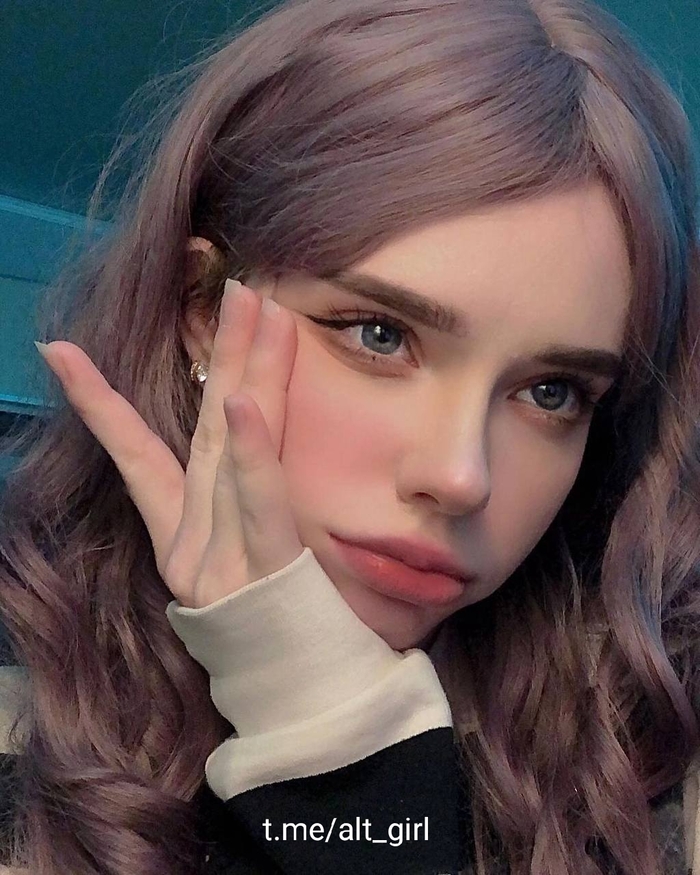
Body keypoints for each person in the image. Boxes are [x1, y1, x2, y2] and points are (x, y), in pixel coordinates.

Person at [0, 0, 698, 872]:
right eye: (379, 335)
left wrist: (330, 737)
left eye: (552, 392)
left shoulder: (661, 770)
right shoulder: (19, 723)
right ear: (204, 310)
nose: (460, 475)